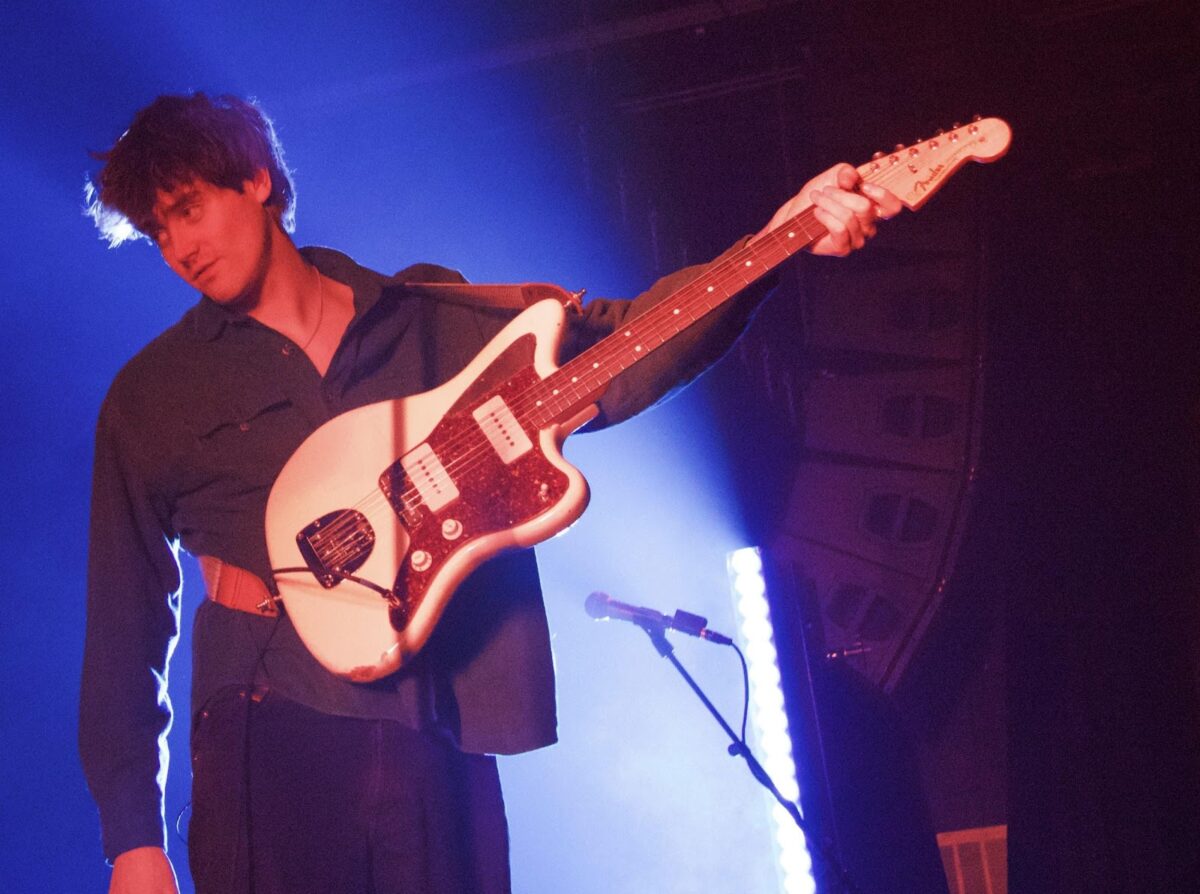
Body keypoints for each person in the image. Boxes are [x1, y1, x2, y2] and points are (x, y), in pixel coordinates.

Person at [80, 92, 898, 894]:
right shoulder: (154, 397)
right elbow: (126, 625)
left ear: (255, 178)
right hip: (272, 724)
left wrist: (781, 240)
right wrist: (132, 840)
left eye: (188, 209)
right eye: (157, 231)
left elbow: (629, 347)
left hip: (441, 721)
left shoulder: (432, 318)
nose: (179, 248)